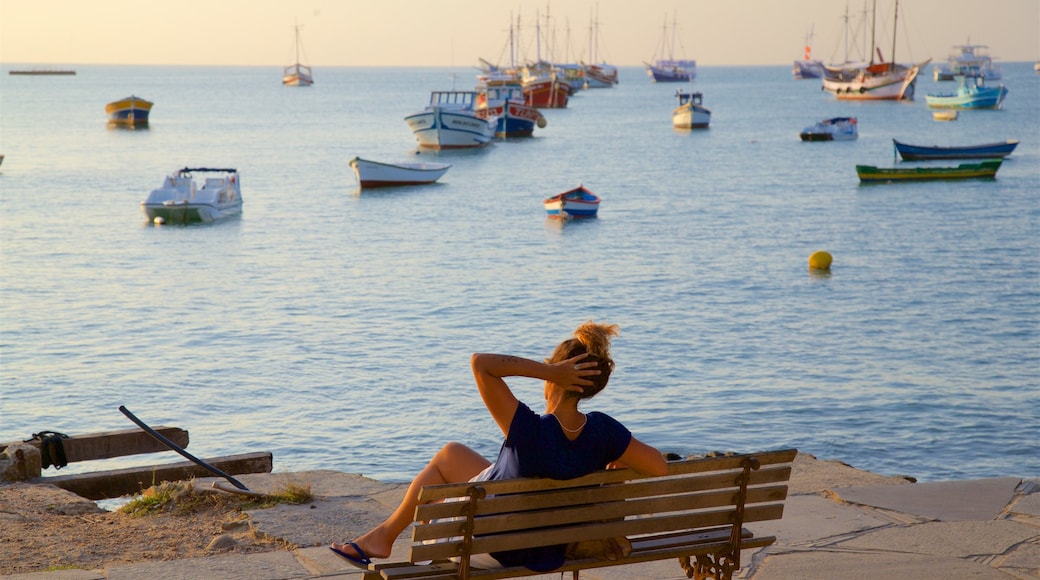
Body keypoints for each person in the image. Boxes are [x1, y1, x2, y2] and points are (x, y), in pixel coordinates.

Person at [331, 321, 668, 572]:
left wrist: (546, 370)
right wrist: (617, 464)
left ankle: (383, 538)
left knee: (445, 476)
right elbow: (659, 466)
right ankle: (382, 537)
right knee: (455, 456)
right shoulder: (604, 431)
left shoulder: (528, 430)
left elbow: (481, 363)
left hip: (498, 547)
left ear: (557, 376)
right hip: (548, 548)